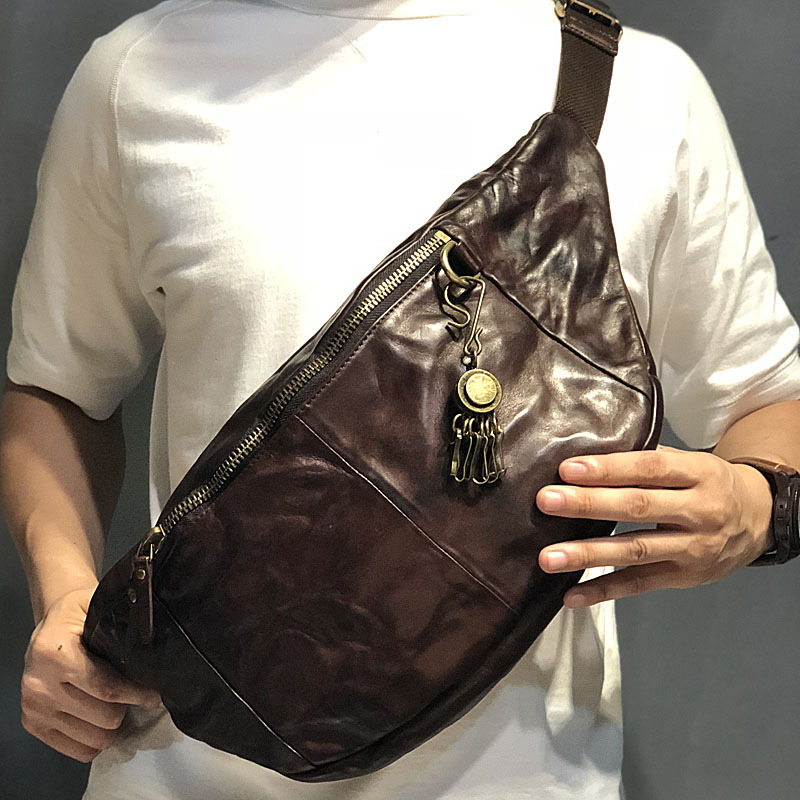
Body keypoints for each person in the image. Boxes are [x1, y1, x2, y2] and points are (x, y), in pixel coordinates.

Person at [2, 1, 799, 799]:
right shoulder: (137, 76)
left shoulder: (643, 89)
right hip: (180, 767)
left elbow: (769, 398)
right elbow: (56, 388)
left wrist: (757, 509)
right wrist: (64, 595)